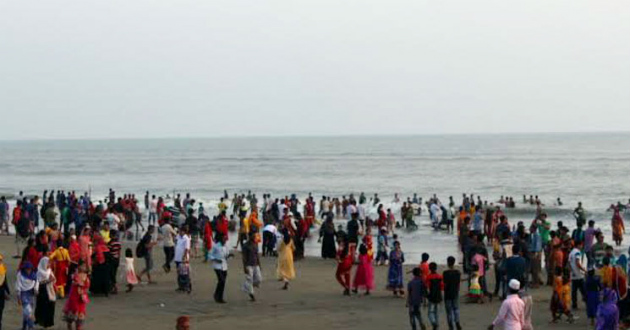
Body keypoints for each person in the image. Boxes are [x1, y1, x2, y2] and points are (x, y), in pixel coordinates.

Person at [63, 263, 90, 330]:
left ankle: (77, 327)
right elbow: (78, 283)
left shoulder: (86, 279)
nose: (82, 274)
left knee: (79, 314)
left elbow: (86, 286)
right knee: (73, 312)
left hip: (80, 298)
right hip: (74, 298)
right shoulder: (75, 277)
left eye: (84, 272)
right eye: (81, 272)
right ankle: (71, 325)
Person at [210, 234, 232, 303]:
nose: (225, 240)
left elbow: (226, 255)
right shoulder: (216, 246)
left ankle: (220, 297)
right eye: (224, 239)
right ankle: (217, 295)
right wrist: (215, 259)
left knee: (223, 282)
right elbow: (209, 255)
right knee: (221, 280)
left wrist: (229, 256)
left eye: (226, 239)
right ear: (220, 239)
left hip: (224, 266)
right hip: (217, 266)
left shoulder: (226, 246)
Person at [35, 257, 56, 329]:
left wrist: (52, 280)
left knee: (50, 307)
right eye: (48, 263)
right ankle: (42, 322)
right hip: (42, 292)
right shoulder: (39, 272)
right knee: (43, 307)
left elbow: (54, 280)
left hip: (50, 291)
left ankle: (47, 323)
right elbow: (38, 282)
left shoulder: (49, 271)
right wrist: (48, 281)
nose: (49, 265)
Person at [16, 262, 38, 330]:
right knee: (28, 312)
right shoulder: (20, 274)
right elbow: (18, 285)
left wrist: (36, 289)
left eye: (30, 269)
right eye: (27, 269)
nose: (28, 270)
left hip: (31, 294)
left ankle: (24, 327)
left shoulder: (34, 275)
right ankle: (31, 326)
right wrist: (18, 297)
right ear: (24, 269)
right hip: (23, 294)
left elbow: (37, 282)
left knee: (27, 311)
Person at [241, 231, 262, 301]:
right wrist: (244, 267)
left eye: (255, 236)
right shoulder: (245, 245)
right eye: (253, 236)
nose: (254, 237)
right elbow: (243, 257)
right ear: (249, 236)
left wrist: (259, 264)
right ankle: (252, 295)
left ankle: (246, 286)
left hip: (256, 264)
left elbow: (257, 255)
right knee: (250, 279)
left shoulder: (255, 244)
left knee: (258, 279)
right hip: (248, 265)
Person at [443, 256, 461, 330]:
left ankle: (450, 325)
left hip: (448, 294)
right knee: (456, 309)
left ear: (448, 263)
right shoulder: (458, 272)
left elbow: (445, 284)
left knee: (449, 311)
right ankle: (457, 322)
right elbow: (458, 283)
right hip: (455, 292)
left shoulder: (445, 273)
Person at [568, 240, 586, 309]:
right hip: (579, 274)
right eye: (581, 245)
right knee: (583, 290)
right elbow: (577, 263)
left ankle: (574, 304)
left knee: (574, 291)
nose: (582, 246)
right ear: (578, 245)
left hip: (573, 274)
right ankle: (587, 302)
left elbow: (569, 263)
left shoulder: (571, 252)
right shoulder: (578, 253)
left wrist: (571, 271)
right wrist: (584, 270)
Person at [426, 262, 443, 330]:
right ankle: (437, 325)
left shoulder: (428, 277)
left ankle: (433, 323)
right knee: (436, 312)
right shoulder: (439, 276)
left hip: (432, 296)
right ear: (436, 268)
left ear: (429, 268)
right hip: (438, 296)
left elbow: (427, 287)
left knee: (430, 312)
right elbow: (442, 287)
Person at [174, 226, 191, 291]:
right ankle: (180, 286)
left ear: (184, 231)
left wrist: (184, 257)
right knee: (179, 272)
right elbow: (176, 243)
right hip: (177, 257)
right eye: (179, 231)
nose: (180, 232)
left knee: (185, 273)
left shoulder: (186, 238)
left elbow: (187, 249)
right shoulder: (178, 237)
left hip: (183, 258)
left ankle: (186, 286)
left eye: (181, 231)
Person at [0, 254, 10, 330]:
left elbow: (5, 280)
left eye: (0, 260)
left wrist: (7, 291)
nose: (0, 262)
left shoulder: (3, 268)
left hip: (1, 291)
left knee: (1, 308)